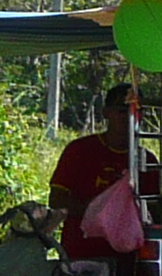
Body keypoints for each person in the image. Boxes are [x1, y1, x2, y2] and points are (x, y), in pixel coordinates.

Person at [50, 85, 137, 262]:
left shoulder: (145, 159)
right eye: (122, 110)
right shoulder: (79, 150)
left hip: (129, 256)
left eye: (135, 111)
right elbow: (56, 200)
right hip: (82, 253)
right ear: (107, 113)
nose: (128, 117)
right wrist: (98, 211)